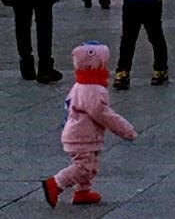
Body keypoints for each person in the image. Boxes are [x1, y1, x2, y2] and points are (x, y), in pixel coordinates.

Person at [39, 43, 137, 209]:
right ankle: (56, 183)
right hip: (82, 135)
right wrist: (125, 130)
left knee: (89, 164)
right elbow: (102, 114)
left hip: (80, 133)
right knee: (84, 167)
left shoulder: (82, 84)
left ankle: (82, 192)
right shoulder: (92, 89)